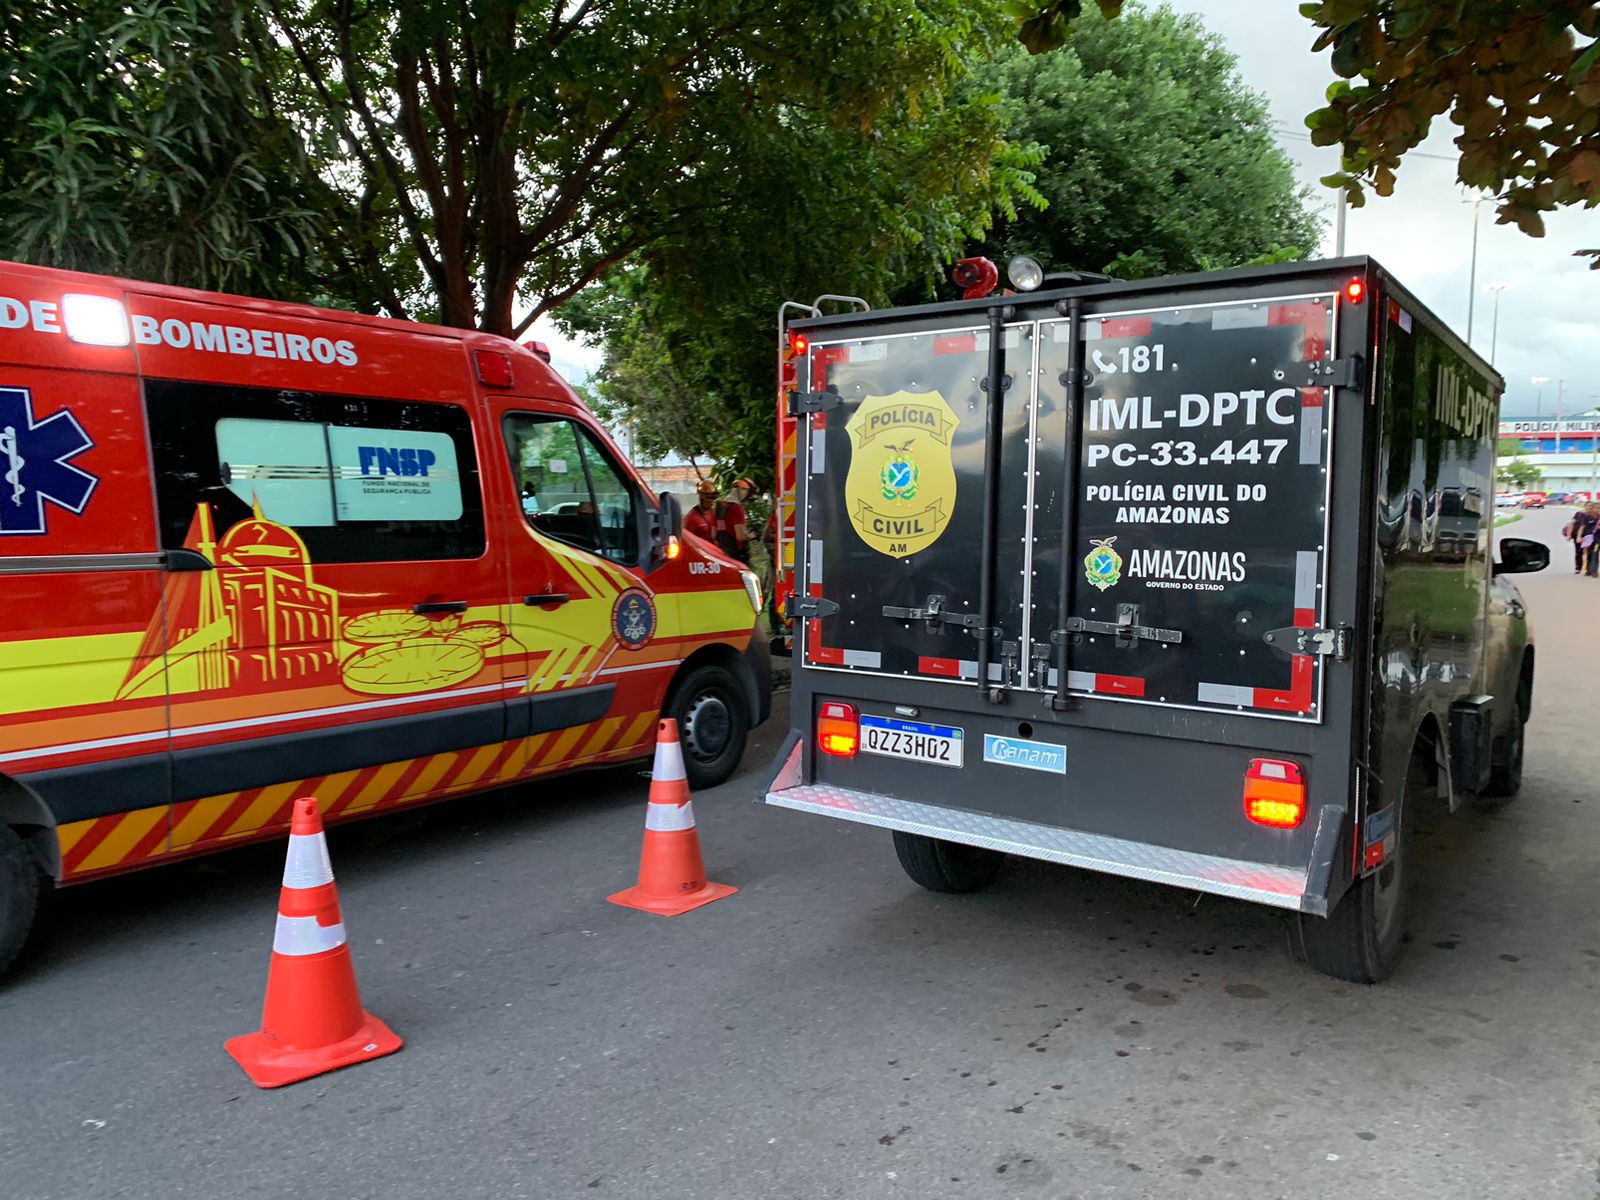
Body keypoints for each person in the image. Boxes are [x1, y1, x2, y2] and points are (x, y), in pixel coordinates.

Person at [716, 478, 756, 564]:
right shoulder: (737, 508)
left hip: (721, 551)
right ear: (743, 491)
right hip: (736, 553)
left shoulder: (721, 506)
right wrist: (753, 535)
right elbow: (740, 536)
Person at [684, 479, 719, 543]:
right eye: (709, 498)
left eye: (714, 498)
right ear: (701, 498)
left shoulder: (713, 512)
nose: (712, 502)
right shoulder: (691, 517)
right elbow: (687, 541)